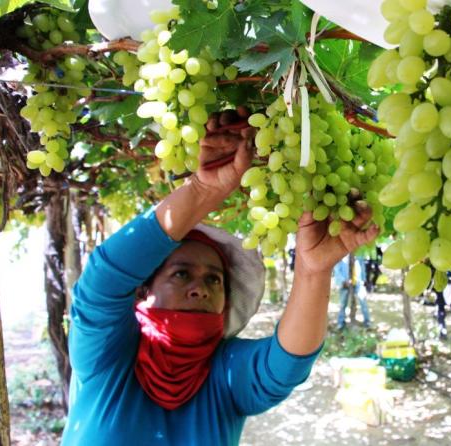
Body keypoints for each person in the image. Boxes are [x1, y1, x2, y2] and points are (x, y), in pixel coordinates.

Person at [61, 109, 379, 445]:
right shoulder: (108, 356)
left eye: (215, 280)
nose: (200, 288)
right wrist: (201, 192)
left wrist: (313, 272)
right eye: (181, 274)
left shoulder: (223, 372)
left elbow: (284, 367)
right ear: (142, 291)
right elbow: (100, 285)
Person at [334, 256, 371, 330]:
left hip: (358, 283)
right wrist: (343, 281)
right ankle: (340, 323)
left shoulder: (359, 256)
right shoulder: (342, 257)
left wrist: (363, 280)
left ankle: (367, 322)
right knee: (342, 304)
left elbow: (362, 268)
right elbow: (337, 270)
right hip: (345, 283)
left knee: (363, 301)